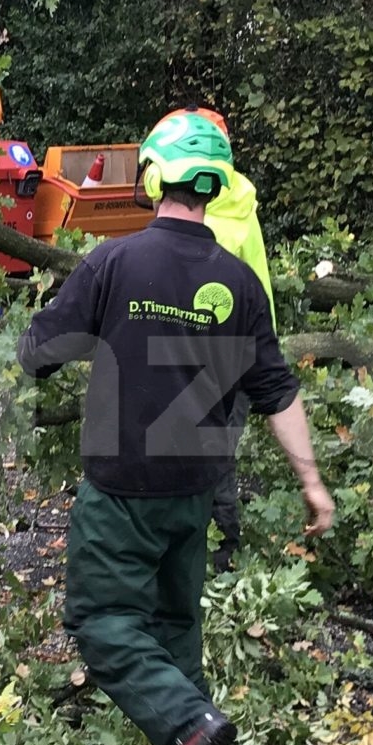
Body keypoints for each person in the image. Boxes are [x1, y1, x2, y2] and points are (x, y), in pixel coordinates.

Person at [23, 110, 335, 745]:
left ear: (153, 174)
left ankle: (186, 726)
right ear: (215, 184)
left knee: (101, 620)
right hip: (197, 485)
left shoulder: (112, 263)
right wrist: (312, 482)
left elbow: (40, 352)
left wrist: (50, 338)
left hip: (121, 486)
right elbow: (277, 391)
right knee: (173, 622)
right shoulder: (240, 284)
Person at [140, 107, 270, 570]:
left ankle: (221, 553)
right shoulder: (237, 205)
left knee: (211, 459)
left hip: (222, 356)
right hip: (222, 352)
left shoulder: (197, 215)